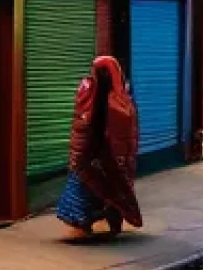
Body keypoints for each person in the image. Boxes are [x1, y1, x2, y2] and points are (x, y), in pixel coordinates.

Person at [57, 57, 144, 241]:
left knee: (88, 188)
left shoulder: (109, 98)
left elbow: (87, 125)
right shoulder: (120, 97)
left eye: (96, 71)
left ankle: (83, 225)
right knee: (110, 188)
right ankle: (108, 221)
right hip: (104, 154)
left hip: (98, 153)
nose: (92, 74)